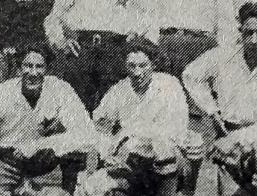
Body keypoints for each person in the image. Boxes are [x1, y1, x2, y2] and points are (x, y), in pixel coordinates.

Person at [183, 2, 257, 196]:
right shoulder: (223, 56)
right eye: (248, 33)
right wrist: (212, 110)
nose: (254, 40)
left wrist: (237, 138)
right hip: (230, 144)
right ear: (241, 32)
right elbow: (191, 75)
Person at [0, 44, 95, 196]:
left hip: (45, 167)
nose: (33, 73)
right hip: (6, 162)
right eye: (28, 66)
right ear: (19, 69)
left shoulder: (60, 90)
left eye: (39, 67)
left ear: (46, 69)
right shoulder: (2, 94)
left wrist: (38, 145)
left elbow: (86, 134)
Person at [154, 0, 230, 195]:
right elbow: (155, 22)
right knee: (166, 116)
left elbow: (227, 30)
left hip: (200, 49)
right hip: (167, 48)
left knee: (193, 123)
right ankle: (167, 186)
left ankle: (188, 190)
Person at [79, 47, 202, 196]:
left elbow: (176, 129)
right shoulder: (119, 90)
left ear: (153, 64)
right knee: (92, 187)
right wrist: (107, 154)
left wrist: (134, 140)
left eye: (143, 65)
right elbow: (100, 128)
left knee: (173, 148)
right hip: (132, 162)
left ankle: (183, 191)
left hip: (168, 158)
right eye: (132, 65)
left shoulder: (169, 85)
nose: (137, 72)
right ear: (125, 66)